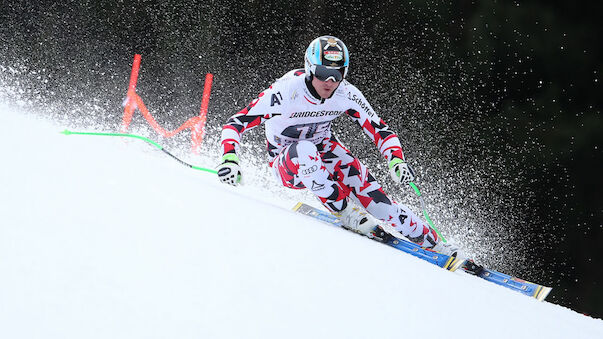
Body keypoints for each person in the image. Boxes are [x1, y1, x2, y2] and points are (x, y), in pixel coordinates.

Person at [216, 35, 458, 256]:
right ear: (310, 68)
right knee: (305, 150)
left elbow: (380, 130)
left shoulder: (346, 93)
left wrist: (396, 160)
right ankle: (345, 211)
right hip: (288, 164)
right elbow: (235, 123)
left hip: (325, 150)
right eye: (322, 72)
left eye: (337, 73)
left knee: (379, 204)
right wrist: (230, 158)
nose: (329, 81)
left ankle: (433, 243)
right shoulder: (286, 91)